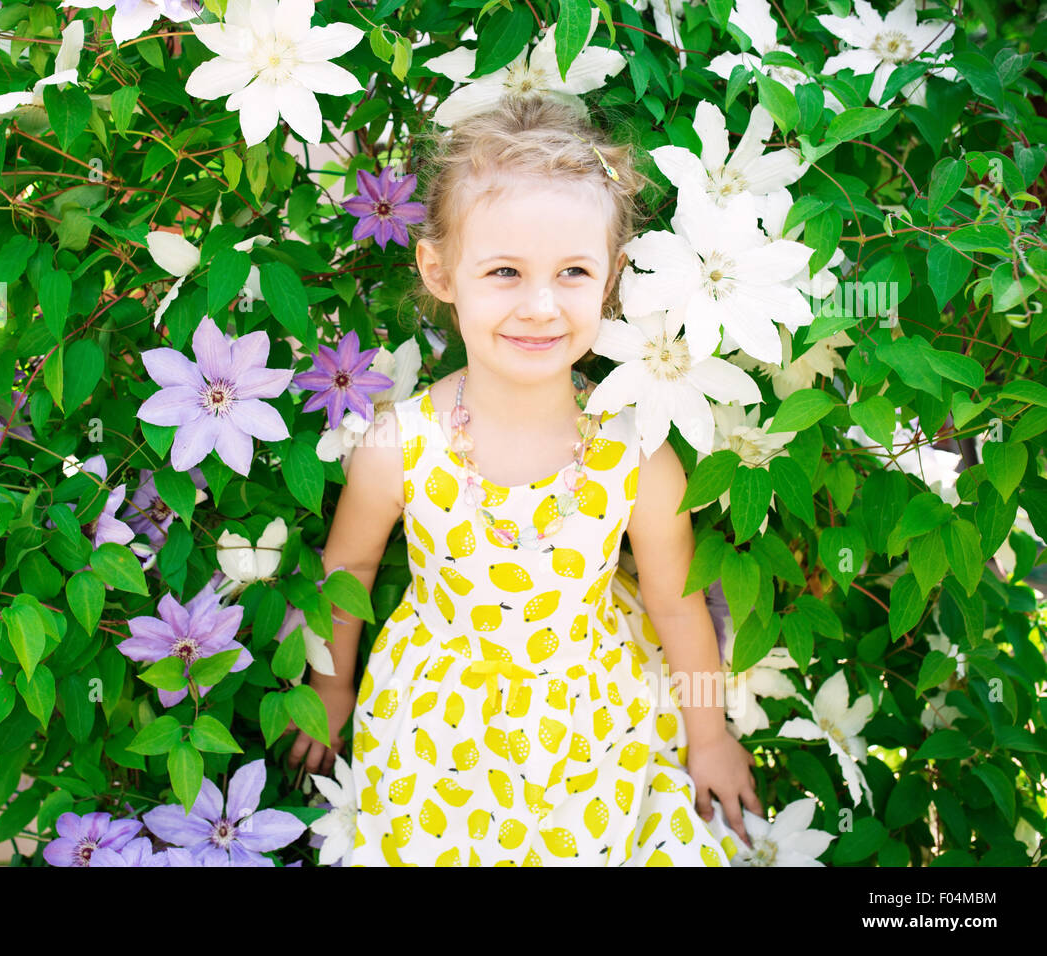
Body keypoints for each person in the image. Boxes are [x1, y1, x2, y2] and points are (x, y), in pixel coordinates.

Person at [288, 95, 762, 865]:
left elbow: (677, 606)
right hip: (437, 726)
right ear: (440, 272)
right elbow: (349, 573)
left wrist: (709, 734)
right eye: (504, 271)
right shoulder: (397, 445)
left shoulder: (637, 454)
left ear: (609, 278)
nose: (540, 307)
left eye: (572, 272)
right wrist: (330, 690)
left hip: (595, 724)